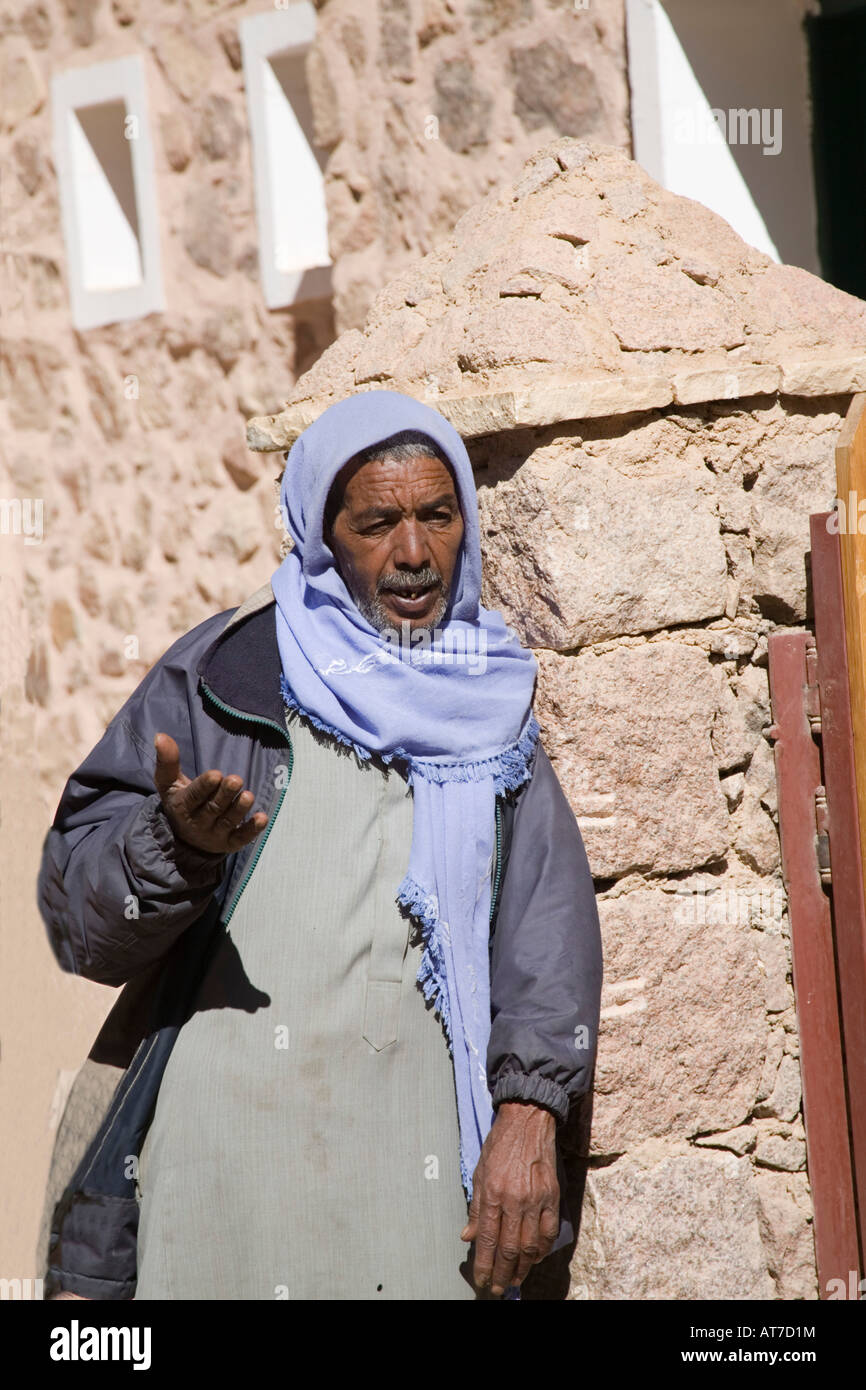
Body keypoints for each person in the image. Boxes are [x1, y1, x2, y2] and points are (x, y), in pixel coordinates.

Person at [38, 389, 602, 1301]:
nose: (413, 554)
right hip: (225, 1173)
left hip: (421, 1189)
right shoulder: (225, 679)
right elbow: (82, 922)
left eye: (437, 515)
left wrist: (531, 1110)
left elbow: (548, 931)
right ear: (323, 535)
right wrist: (169, 846)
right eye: (377, 522)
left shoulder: (493, 705)